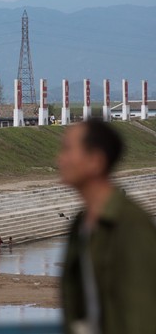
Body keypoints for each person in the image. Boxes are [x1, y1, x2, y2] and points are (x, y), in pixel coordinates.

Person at [58, 119, 156, 334]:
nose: (60, 159)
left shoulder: (131, 226)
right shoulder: (82, 224)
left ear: (96, 161)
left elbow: (143, 315)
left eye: (68, 150)